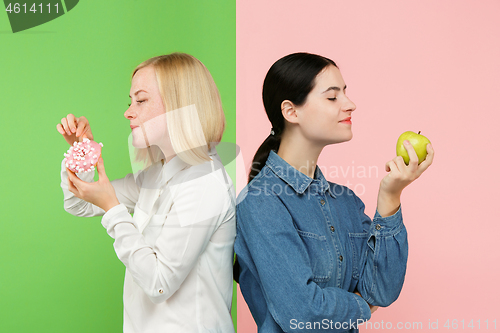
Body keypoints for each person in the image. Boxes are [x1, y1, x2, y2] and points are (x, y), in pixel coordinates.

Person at [234, 52, 434, 332]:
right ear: (291, 111)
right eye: (332, 97)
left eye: (345, 94)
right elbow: (301, 313)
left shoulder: (345, 201)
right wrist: (360, 306)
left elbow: (382, 291)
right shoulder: (261, 202)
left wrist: (390, 196)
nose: (350, 105)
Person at [57, 53, 236, 333]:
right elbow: (79, 202)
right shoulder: (155, 176)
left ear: (182, 105)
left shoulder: (204, 182)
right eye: (130, 101)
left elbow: (159, 282)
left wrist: (113, 208)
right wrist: (83, 149)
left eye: (141, 100)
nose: (129, 111)